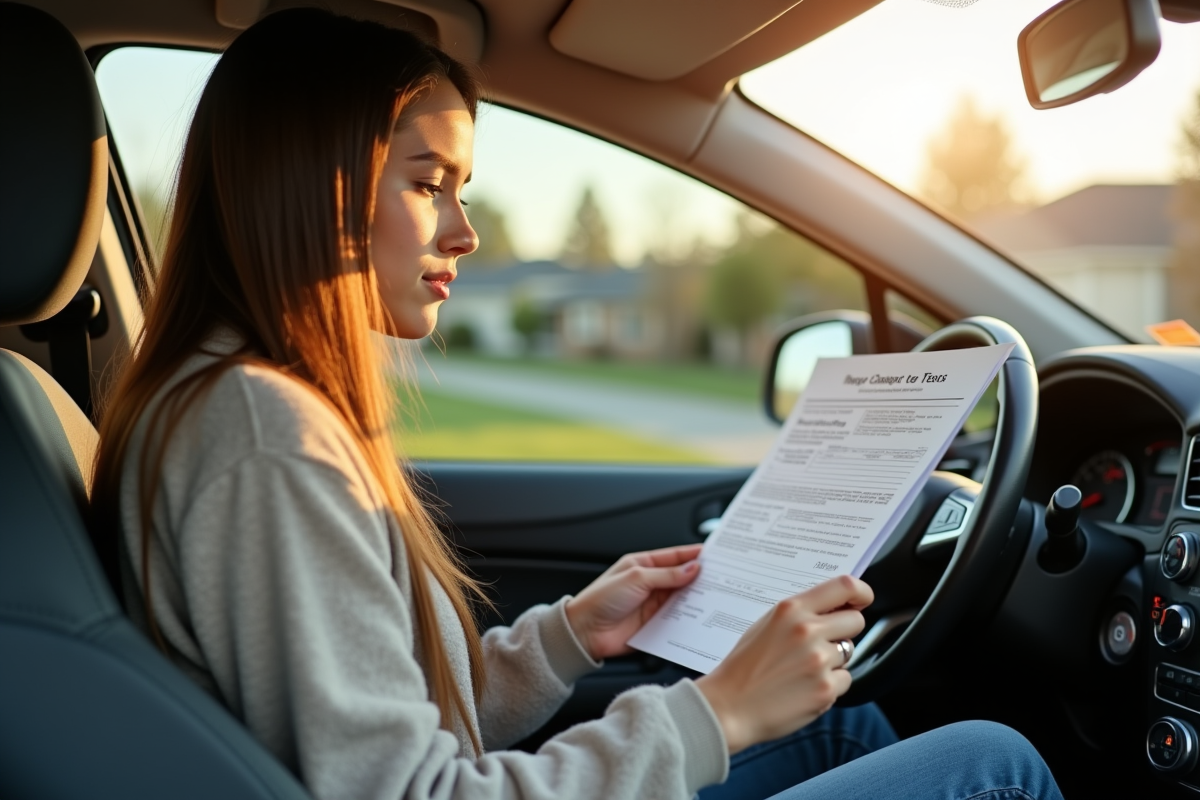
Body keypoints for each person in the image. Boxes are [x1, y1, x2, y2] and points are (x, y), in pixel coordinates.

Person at [90, 9, 1064, 800]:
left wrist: (570, 633)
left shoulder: (244, 406)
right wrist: (717, 710)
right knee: (992, 763)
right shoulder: (265, 433)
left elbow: (389, 710)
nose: (465, 232)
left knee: (841, 723)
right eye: (430, 184)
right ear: (314, 187)